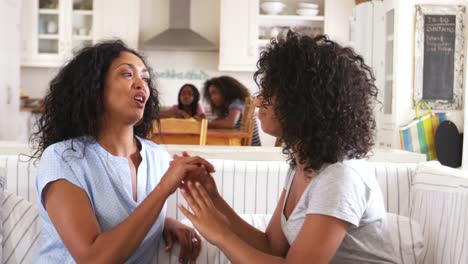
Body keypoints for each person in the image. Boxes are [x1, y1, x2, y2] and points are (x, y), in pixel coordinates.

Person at [177, 33, 398, 263]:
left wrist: (220, 235)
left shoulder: (340, 176)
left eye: (269, 93)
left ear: (303, 102)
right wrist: (213, 199)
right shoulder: (302, 164)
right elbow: (272, 247)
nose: (259, 101)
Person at [30, 40, 214, 264]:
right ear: (94, 86)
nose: (141, 84)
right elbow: (92, 259)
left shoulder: (157, 157)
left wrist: (163, 221)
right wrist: (163, 189)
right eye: (127, 74)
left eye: (145, 78)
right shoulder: (63, 158)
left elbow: (129, 215)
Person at [202, 75, 261, 146]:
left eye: (215, 93)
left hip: (250, 149)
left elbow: (229, 123)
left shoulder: (237, 102)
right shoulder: (227, 106)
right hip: (240, 144)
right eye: (210, 94)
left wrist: (204, 124)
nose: (212, 98)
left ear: (226, 91)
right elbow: (220, 121)